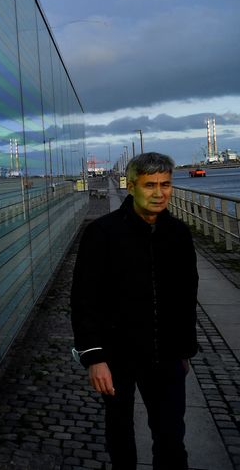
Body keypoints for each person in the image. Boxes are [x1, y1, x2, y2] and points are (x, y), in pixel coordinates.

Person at [71, 152, 198, 469]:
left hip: (167, 357)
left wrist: (183, 351)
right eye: (150, 185)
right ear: (131, 187)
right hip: (116, 358)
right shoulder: (102, 233)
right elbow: (84, 299)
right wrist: (94, 357)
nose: (159, 193)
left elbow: (186, 296)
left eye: (166, 184)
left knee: (171, 440)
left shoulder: (179, 234)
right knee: (120, 435)